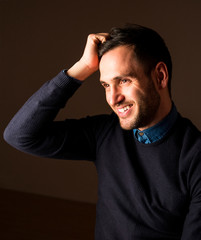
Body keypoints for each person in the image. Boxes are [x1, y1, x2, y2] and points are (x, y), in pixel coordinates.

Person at [4, 24, 201, 239]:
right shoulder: (105, 133)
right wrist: (83, 67)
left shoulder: (195, 157)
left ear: (160, 76)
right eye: (106, 85)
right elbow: (20, 134)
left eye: (123, 81)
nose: (113, 98)